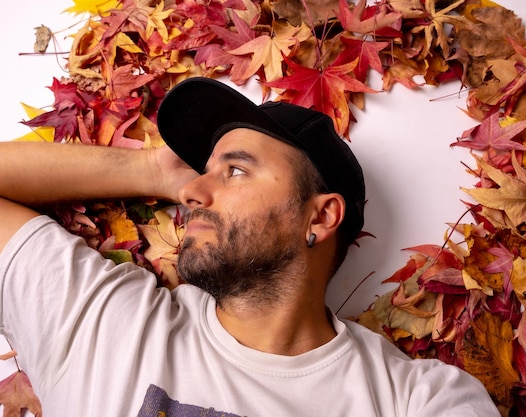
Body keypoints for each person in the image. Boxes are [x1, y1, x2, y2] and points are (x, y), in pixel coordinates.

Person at [0, 78, 499, 416]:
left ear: (320, 216)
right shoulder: (102, 322)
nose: (193, 193)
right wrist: (150, 171)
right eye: (203, 173)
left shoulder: (417, 402)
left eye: (235, 171)